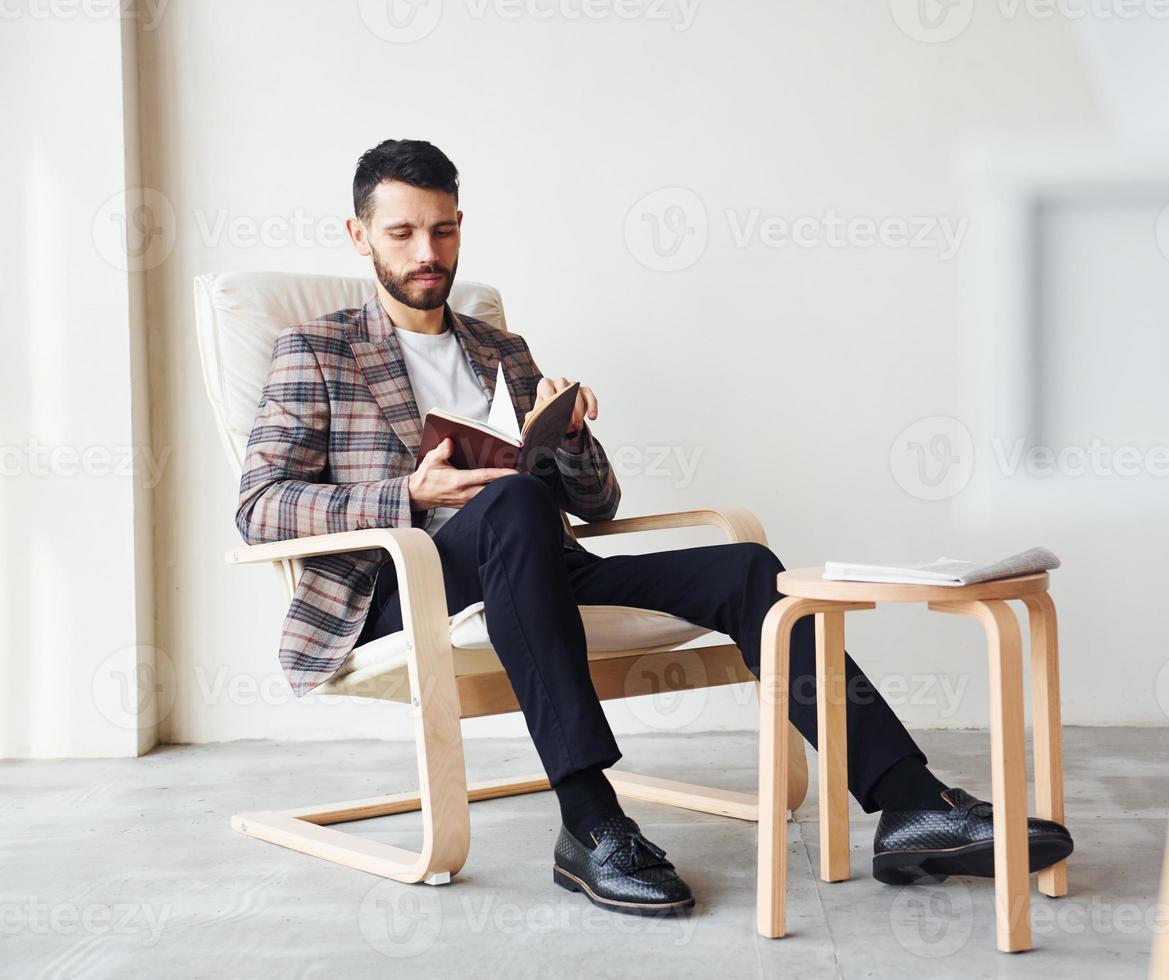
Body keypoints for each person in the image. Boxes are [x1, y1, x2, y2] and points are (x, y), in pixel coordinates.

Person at [235, 138, 1073, 916]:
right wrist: (411, 493)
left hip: (539, 564)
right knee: (516, 504)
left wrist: (567, 435)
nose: (428, 254)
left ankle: (910, 806)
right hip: (403, 583)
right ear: (359, 236)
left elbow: (596, 505)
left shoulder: (502, 348)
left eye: (444, 231)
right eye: (405, 233)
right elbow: (260, 505)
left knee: (749, 568)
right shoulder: (317, 350)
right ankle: (590, 822)